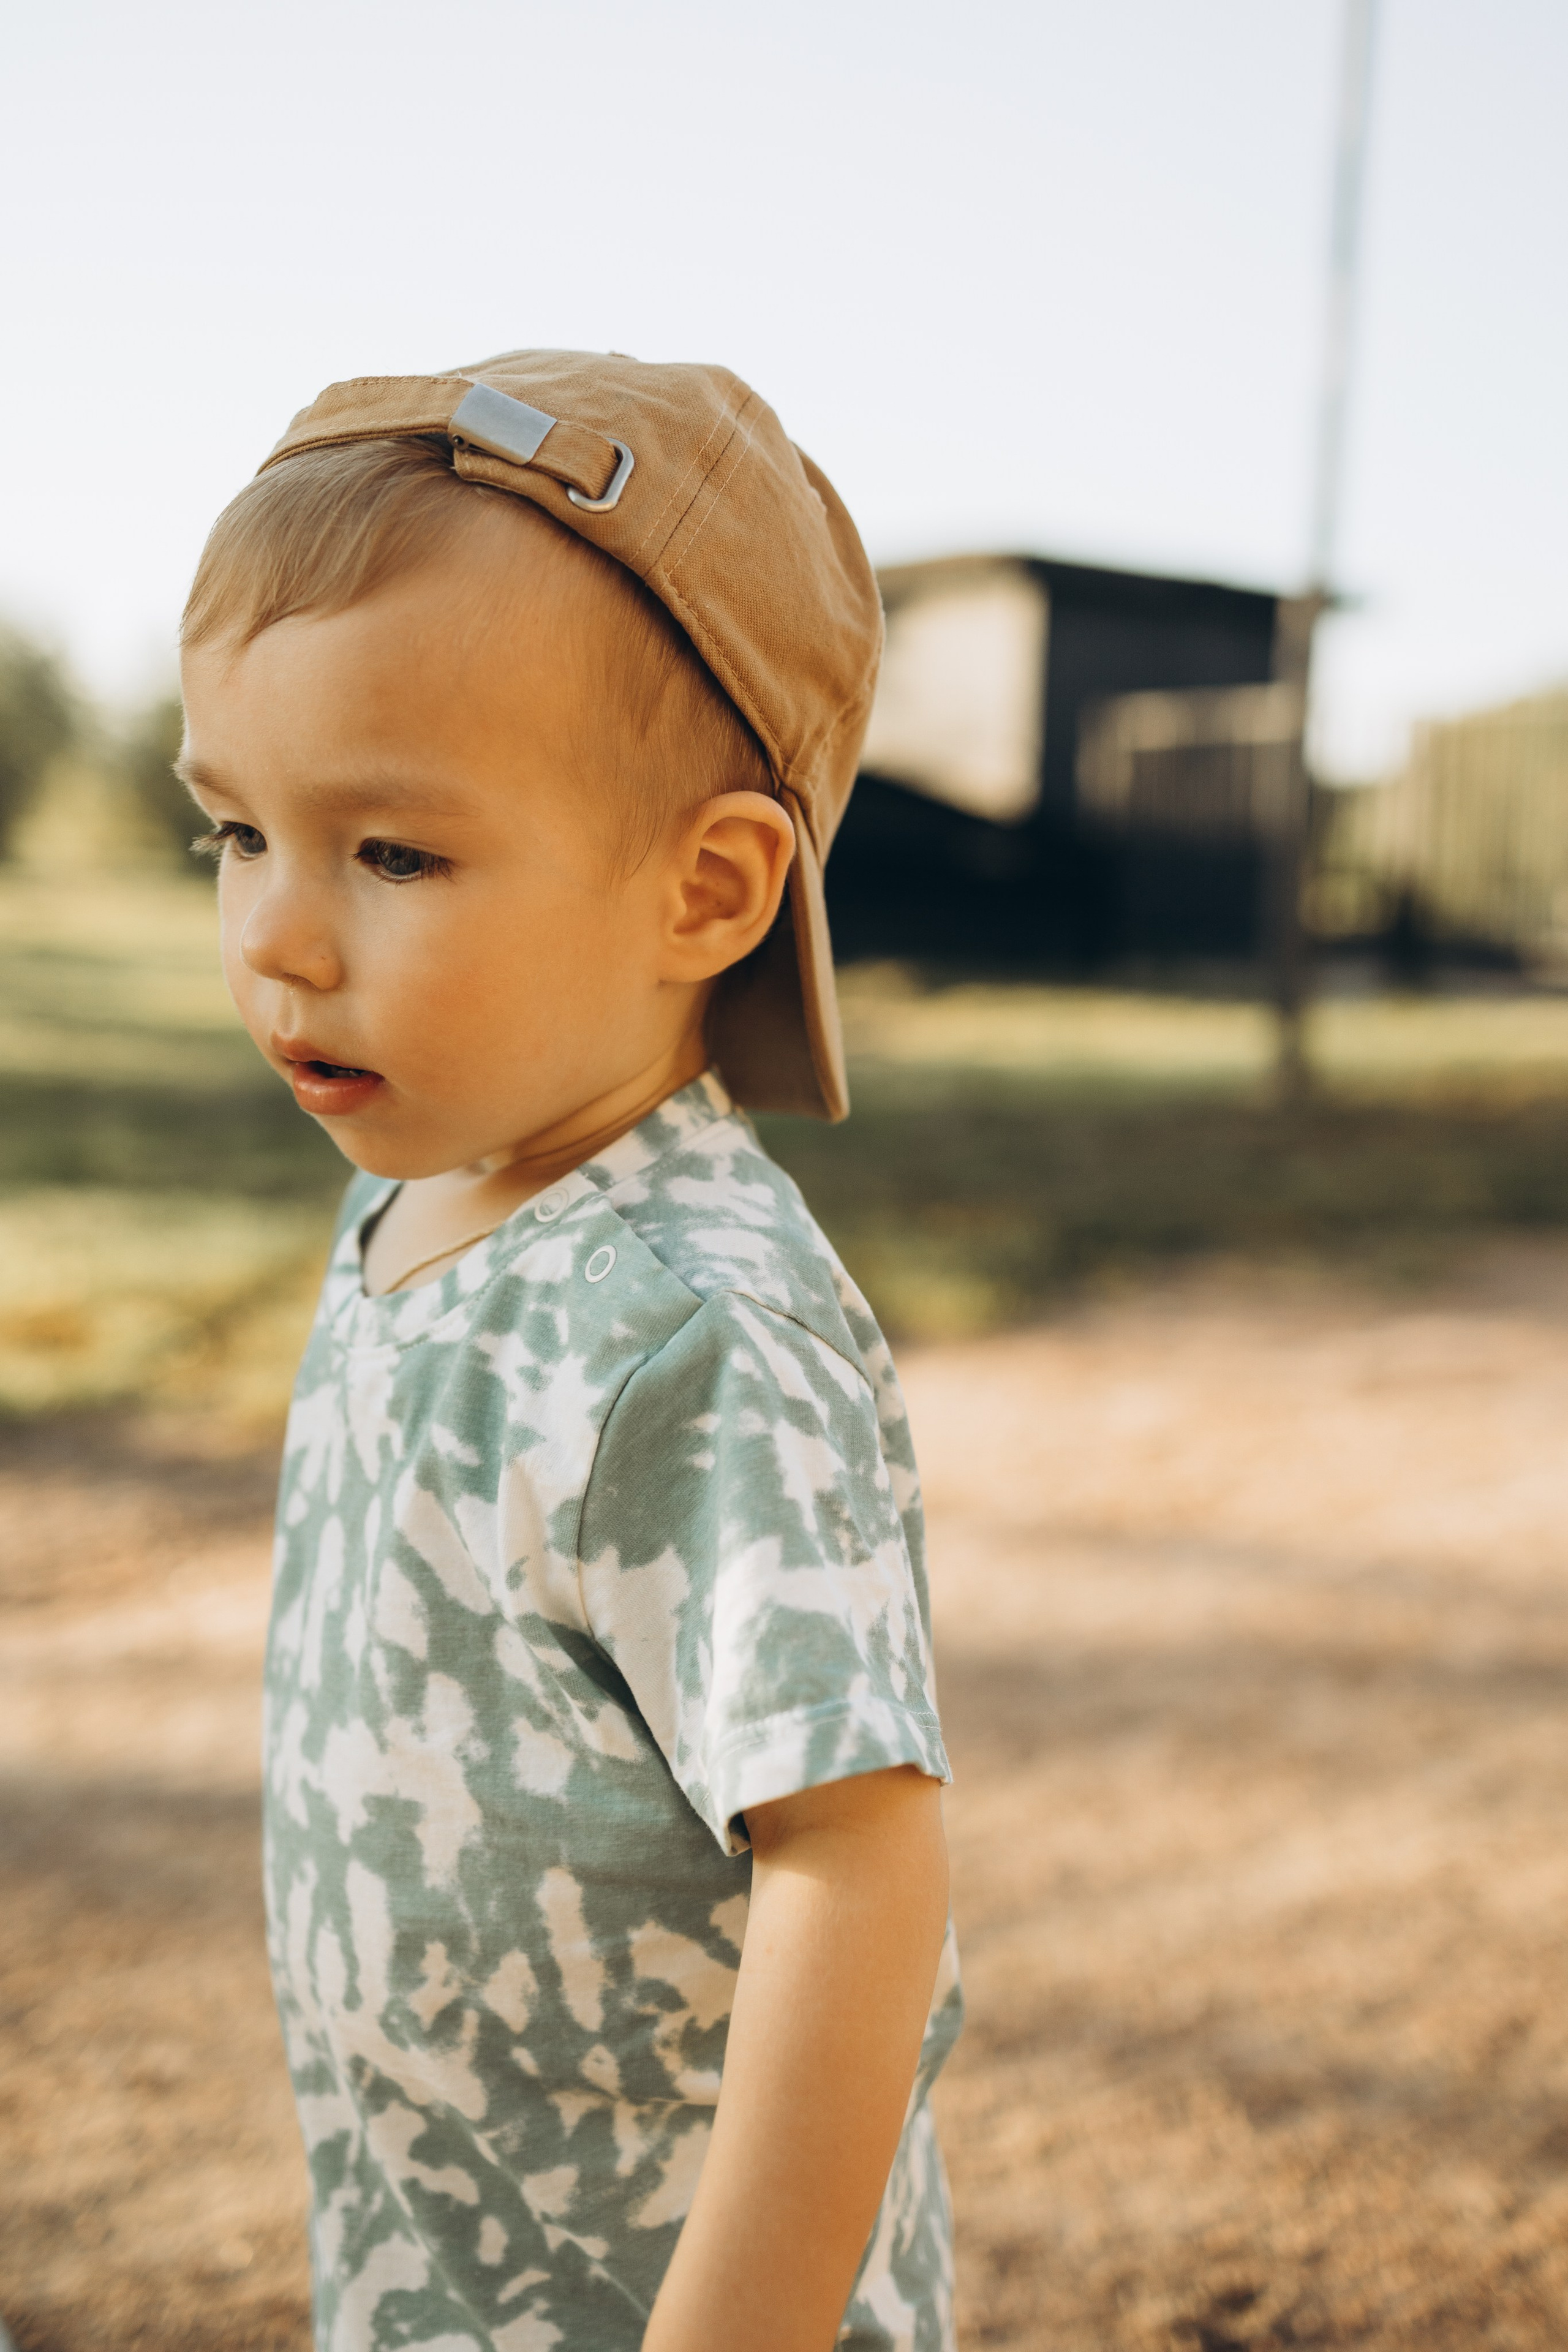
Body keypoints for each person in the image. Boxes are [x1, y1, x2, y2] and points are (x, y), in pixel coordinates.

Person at [177, 350, 962, 2352]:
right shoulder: (416, 1200)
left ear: (705, 891)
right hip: (442, 2272)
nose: (275, 933)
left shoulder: (690, 1328)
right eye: (235, 835)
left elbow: (857, 1880)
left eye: (394, 853)